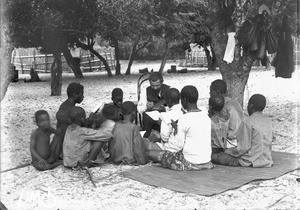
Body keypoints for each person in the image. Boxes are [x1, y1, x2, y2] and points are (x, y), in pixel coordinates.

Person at [148, 86, 214, 171]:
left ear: (184, 100)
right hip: (207, 161)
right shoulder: (206, 117)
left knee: (150, 154)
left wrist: (176, 129)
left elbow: (179, 146)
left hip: (190, 163)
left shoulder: (184, 119)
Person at [212, 94, 273, 167]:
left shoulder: (248, 122)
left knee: (216, 157)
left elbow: (242, 149)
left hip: (249, 161)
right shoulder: (268, 121)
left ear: (251, 105)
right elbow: (272, 138)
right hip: (267, 160)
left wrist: (227, 151)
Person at [50, 82, 84, 160]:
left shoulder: (65, 105)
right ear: (75, 95)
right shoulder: (69, 110)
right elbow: (66, 131)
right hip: (65, 144)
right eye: (81, 94)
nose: (83, 97)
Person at [143, 88, 184, 152]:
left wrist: (161, 123)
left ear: (169, 101)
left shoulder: (167, 116)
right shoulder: (183, 111)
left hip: (169, 148)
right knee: (154, 135)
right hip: (182, 146)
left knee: (143, 142)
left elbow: (164, 138)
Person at [210, 79, 244, 148]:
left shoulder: (222, 107)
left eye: (211, 92)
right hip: (242, 139)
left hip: (232, 142)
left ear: (217, 92)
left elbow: (220, 130)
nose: (210, 94)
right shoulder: (234, 102)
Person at [137, 72, 170, 138]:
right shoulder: (145, 91)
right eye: (152, 85)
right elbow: (139, 108)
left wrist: (165, 108)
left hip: (165, 119)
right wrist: (146, 106)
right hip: (150, 121)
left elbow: (176, 108)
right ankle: (146, 139)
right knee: (146, 117)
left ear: (162, 82)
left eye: (157, 85)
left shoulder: (169, 90)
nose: (155, 88)